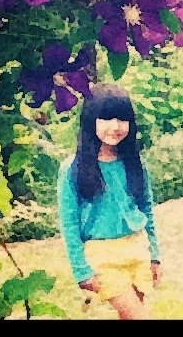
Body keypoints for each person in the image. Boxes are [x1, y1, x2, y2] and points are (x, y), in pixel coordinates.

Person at [56, 83, 162, 320]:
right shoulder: (72, 169)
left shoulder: (135, 163)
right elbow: (69, 224)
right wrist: (81, 271)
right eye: (106, 118)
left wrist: (154, 255)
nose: (115, 126)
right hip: (102, 256)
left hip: (137, 248)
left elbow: (147, 209)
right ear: (90, 121)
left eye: (122, 119)